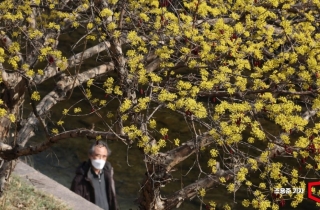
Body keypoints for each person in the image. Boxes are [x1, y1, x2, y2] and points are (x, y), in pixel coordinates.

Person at [71, 141, 118, 210]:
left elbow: (113, 199)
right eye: (97, 155)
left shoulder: (108, 174)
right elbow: (74, 204)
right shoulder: (80, 180)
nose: (101, 159)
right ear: (90, 155)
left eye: (104, 156)